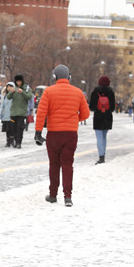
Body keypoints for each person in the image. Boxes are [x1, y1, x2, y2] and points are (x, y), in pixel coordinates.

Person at [34, 65, 90, 207]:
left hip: (53, 134)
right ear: (69, 77)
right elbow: (86, 114)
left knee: (54, 164)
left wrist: (38, 132)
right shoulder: (78, 93)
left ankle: (53, 195)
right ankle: (68, 197)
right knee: (67, 164)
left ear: (55, 77)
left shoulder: (48, 91)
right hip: (70, 134)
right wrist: (73, 119)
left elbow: (41, 113)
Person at [89, 75, 116, 164]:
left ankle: (101, 157)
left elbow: (91, 106)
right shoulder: (111, 91)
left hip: (98, 117)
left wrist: (98, 109)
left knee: (99, 137)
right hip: (107, 117)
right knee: (104, 137)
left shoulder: (95, 91)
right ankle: (103, 154)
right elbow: (112, 107)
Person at [7, 75, 33, 148]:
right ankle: (15, 141)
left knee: (20, 128)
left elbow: (29, 97)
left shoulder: (26, 88)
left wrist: (22, 92)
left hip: (22, 112)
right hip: (13, 112)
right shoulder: (14, 88)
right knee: (13, 128)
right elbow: (8, 97)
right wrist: (11, 92)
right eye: (17, 81)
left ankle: (19, 142)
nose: (18, 83)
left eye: (20, 81)